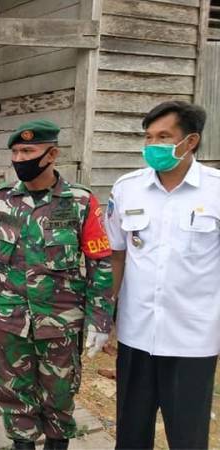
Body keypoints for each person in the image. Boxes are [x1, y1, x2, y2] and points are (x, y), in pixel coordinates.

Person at [0, 120, 113, 450]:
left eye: (28, 151)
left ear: (52, 154)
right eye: (15, 151)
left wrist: (100, 321)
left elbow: (100, 264)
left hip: (60, 323)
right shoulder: (1, 202)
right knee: (14, 396)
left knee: (59, 399)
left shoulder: (80, 203)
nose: (19, 158)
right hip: (11, 321)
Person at [105, 101, 219, 449]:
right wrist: (105, 317)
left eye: (164, 136)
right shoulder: (127, 188)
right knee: (131, 434)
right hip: (136, 333)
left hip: (193, 338)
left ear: (191, 141)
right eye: (149, 137)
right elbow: (117, 255)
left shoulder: (216, 190)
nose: (153, 145)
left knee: (187, 437)